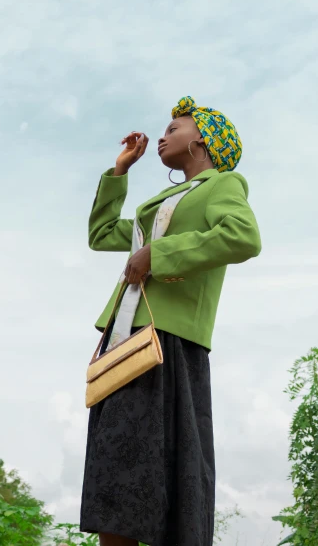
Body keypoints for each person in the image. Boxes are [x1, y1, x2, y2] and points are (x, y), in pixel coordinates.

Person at [80, 96, 261, 546]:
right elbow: (102, 236)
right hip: (124, 342)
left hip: (169, 343)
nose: (162, 136)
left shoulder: (222, 185)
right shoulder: (158, 206)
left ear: (202, 139)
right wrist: (120, 171)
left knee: (161, 481)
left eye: (173, 128)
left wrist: (157, 255)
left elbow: (242, 236)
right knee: (115, 477)